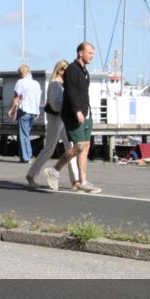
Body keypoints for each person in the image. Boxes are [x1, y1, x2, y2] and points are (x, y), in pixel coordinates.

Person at [45, 42, 101, 193]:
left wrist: (86, 111)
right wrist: (77, 111)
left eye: (93, 53)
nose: (92, 56)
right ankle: (55, 170)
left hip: (86, 113)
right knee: (79, 146)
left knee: (85, 147)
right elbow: (70, 92)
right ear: (80, 53)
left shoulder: (85, 71)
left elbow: (83, 94)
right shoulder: (71, 70)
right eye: (89, 53)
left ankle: (83, 181)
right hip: (74, 114)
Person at [26, 60, 79, 188]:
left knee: (70, 147)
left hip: (64, 118)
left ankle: (75, 180)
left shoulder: (64, 84)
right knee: (49, 148)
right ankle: (31, 175)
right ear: (60, 70)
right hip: (56, 118)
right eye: (65, 69)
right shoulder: (56, 84)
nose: (68, 72)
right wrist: (68, 107)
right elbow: (55, 104)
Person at [7, 64, 41, 163]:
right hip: (33, 111)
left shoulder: (20, 82)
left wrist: (11, 110)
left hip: (24, 110)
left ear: (21, 72)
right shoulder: (36, 83)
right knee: (27, 134)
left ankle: (26, 157)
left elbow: (16, 98)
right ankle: (26, 155)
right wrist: (38, 111)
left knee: (23, 135)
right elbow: (38, 98)